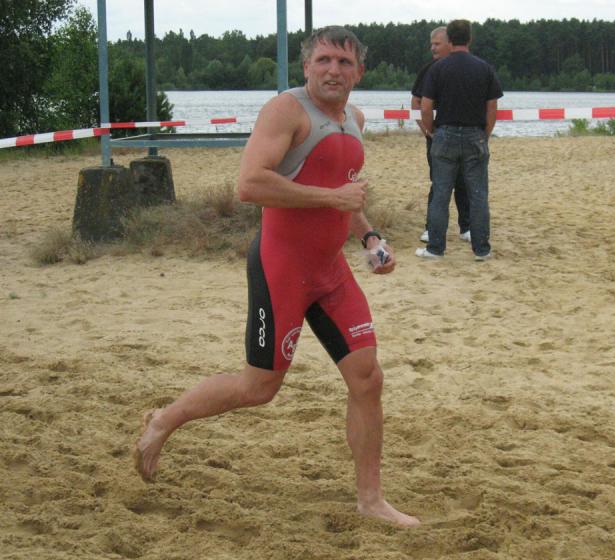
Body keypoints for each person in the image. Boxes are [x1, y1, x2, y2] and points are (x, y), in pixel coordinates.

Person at [133, 26, 420, 529]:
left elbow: (345, 191)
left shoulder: (354, 119)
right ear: (306, 66)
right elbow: (249, 184)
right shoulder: (286, 111)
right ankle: (164, 419)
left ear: (359, 72)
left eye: (344, 62)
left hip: (330, 272)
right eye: (324, 60)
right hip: (281, 267)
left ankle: (371, 500)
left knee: (367, 378)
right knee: (259, 387)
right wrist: (333, 199)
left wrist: (370, 237)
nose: (333, 70)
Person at [416, 19, 503, 261]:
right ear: (470, 39)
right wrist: (485, 134)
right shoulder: (484, 68)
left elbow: (425, 106)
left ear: (450, 40)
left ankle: (435, 248)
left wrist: (431, 131)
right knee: (478, 195)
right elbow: (492, 108)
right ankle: (482, 249)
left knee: (440, 194)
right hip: (475, 135)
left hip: (445, 134)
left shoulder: (437, 69)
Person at [411, 26, 470, 245]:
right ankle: (432, 228)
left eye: (437, 44)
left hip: (464, 134)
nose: (432, 48)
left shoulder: (467, 67)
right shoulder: (428, 70)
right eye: (431, 44)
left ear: (450, 43)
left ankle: (467, 227)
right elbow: (416, 103)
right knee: (439, 183)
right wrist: (427, 131)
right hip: (437, 137)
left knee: (463, 182)